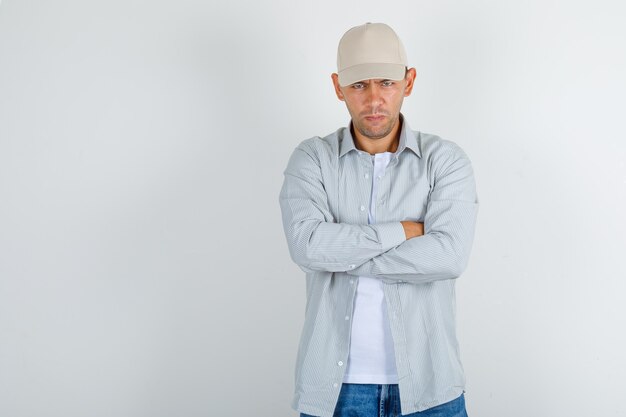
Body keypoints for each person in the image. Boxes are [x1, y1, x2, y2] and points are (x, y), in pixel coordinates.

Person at [279, 22, 478, 417]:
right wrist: (403, 232)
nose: (373, 99)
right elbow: (306, 248)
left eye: (386, 82)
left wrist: (340, 254)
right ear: (338, 87)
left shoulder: (445, 161)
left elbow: (450, 257)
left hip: (430, 388)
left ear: (409, 81)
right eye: (358, 85)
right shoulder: (312, 160)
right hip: (335, 394)